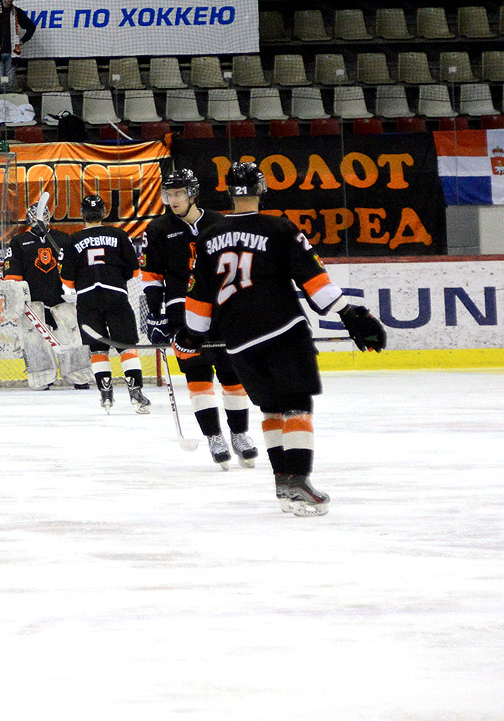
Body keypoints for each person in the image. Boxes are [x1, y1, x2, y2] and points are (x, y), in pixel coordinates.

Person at [185, 161, 388, 515]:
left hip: (239, 342)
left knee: (271, 409)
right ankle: (299, 482)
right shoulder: (279, 228)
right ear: (262, 189)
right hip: (282, 331)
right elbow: (313, 279)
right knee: (296, 404)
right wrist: (348, 313)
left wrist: (191, 334)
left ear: (229, 192)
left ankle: (283, 483)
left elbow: (199, 295)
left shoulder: (207, 237)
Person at [141, 167, 258, 469]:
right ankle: (214, 436)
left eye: (178, 194)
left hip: (221, 307)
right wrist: (154, 313)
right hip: (181, 307)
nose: (173, 200)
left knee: (232, 373)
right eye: (168, 194)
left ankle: (240, 433)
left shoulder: (219, 223)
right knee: (197, 372)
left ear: (193, 194)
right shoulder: (157, 230)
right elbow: (152, 276)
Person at [60, 193, 149, 414]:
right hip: (116, 295)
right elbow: (134, 270)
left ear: (82, 214)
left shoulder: (72, 241)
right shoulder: (119, 235)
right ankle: (136, 393)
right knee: (126, 346)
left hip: (87, 298)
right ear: (104, 213)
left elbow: (67, 281)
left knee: (98, 348)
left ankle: (106, 395)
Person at [2, 198, 91, 391]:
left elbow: (76, 268)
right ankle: (41, 377)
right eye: (36, 215)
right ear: (28, 218)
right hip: (33, 302)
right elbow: (12, 275)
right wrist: (18, 299)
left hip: (62, 299)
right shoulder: (20, 241)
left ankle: (79, 375)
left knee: (74, 335)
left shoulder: (63, 239)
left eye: (43, 214)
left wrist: (76, 290)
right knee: (34, 340)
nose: (40, 218)